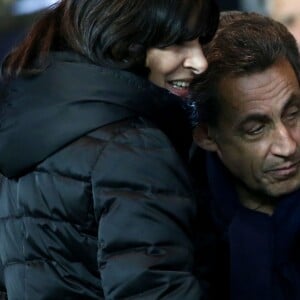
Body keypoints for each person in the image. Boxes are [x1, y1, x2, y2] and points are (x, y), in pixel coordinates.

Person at [0, 0, 219, 299]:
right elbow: (156, 290)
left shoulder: (31, 128)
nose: (200, 61)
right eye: (177, 43)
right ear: (124, 40)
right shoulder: (133, 145)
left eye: (200, 40)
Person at [190, 11, 300, 300]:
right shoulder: (178, 219)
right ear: (206, 136)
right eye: (255, 129)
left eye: (294, 114)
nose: (287, 146)